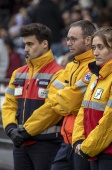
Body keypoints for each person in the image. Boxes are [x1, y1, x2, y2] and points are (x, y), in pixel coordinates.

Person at [72, 26, 112, 170]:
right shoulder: (97, 74)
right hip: (93, 150)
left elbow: (111, 120)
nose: (95, 52)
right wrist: (78, 140)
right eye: (94, 47)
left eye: (100, 47)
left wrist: (87, 147)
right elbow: (83, 110)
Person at [2, 23, 63, 170]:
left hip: (45, 146)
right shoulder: (18, 73)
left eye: (30, 44)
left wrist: (25, 131)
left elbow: (52, 109)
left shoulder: (59, 73)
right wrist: (10, 129)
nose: (25, 49)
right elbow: (9, 104)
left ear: (44, 44)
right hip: (20, 144)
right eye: (24, 44)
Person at [48, 20, 96, 170]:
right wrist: (65, 100)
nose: (68, 43)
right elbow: (51, 97)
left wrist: (64, 99)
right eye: (68, 39)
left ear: (88, 40)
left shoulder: (95, 66)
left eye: (73, 39)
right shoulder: (70, 65)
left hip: (84, 140)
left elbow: (71, 103)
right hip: (67, 139)